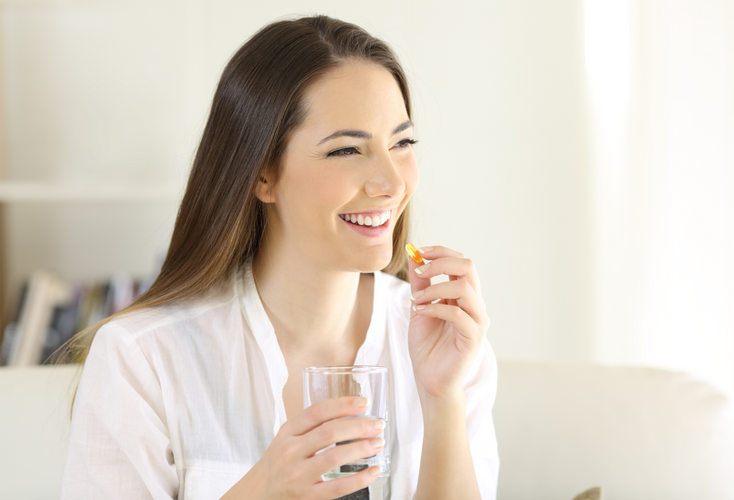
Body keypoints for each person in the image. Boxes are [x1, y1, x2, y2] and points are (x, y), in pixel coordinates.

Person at [60, 15, 499, 500]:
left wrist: (441, 400)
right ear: (262, 174)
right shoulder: (141, 359)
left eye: (402, 143)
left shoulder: (445, 344)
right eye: (346, 150)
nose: (392, 184)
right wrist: (261, 491)